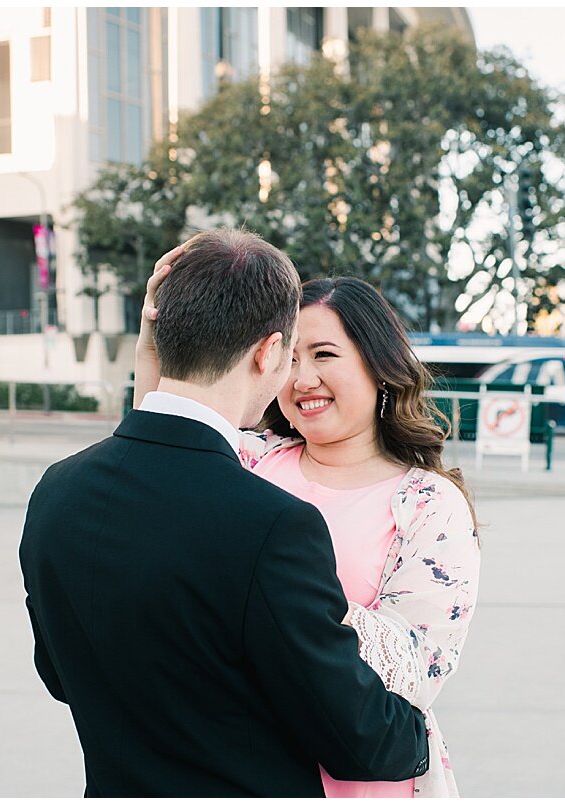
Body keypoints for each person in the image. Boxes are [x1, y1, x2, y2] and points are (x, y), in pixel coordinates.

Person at [19, 228, 430, 797]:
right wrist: (418, 738)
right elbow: (356, 737)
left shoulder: (57, 492)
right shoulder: (271, 526)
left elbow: (60, 676)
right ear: (268, 352)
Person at [135, 250, 481, 798]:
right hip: (236, 766)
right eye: (289, 357)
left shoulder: (426, 504)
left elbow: (416, 670)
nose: (303, 379)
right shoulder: (247, 460)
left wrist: (283, 592)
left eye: (323, 354)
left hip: (361, 776)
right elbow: (160, 464)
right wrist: (157, 339)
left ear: (378, 363)